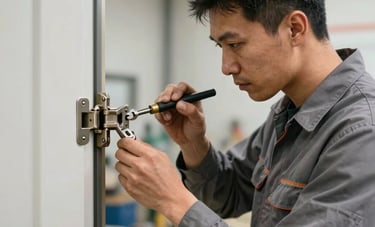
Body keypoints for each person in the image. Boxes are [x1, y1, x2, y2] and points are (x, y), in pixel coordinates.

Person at [115, 0, 375, 226]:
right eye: (221, 47)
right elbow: (229, 195)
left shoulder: (361, 133)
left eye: (236, 44)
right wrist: (193, 144)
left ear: (294, 29)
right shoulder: (288, 113)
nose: (226, 67)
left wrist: (172, 200)